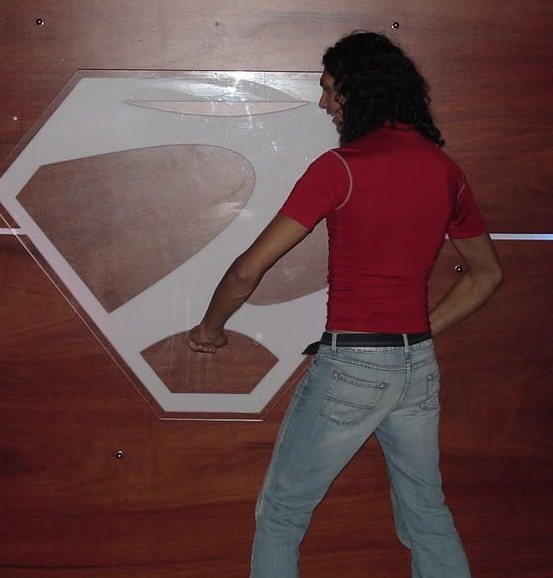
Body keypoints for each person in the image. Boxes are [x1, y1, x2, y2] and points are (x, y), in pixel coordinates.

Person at [188, 31, 503, 578]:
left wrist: (210, 328)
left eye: (329, 88)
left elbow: (247, 270)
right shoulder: (443, 169)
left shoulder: (342, 167)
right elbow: (487, 274)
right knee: (426, 513)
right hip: (416, 367)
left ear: (357, 91)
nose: (323, 102)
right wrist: (414, 335)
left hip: (353, 363)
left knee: (283, 512)